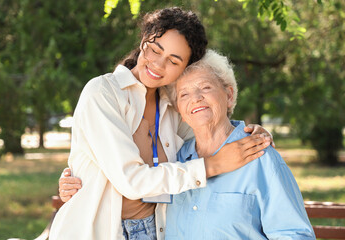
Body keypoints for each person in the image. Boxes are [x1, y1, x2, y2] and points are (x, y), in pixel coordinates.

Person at [50, 8, 272, 240]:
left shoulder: (173, 106)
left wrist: (247, 133)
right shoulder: (103, 93)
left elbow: (209, 133)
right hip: (99, 231)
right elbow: (130, 181)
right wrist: (211, 166)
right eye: (154, 49)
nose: (157, 64)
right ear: (143, 40)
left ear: (184, 68)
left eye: (174, 61)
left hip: (156, 230)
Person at [163, 49, 315, 239]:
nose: (195, 98)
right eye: (184, 94)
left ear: (229, 95)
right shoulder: (174, 160)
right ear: (179, 111)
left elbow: (294, 234)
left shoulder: (260, 156)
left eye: (205, 87)